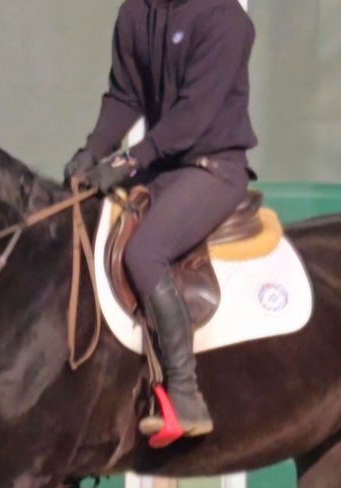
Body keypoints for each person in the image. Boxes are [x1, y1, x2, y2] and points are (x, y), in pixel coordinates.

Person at [65, 0, 257, 438]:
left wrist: (129, 160)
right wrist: (92, 151)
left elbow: (193, 116)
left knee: (145, 252)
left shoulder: (225, 21)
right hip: (159, 167)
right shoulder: (136, 12)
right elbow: (124, 95)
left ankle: (186, 396)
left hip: (213, 169)